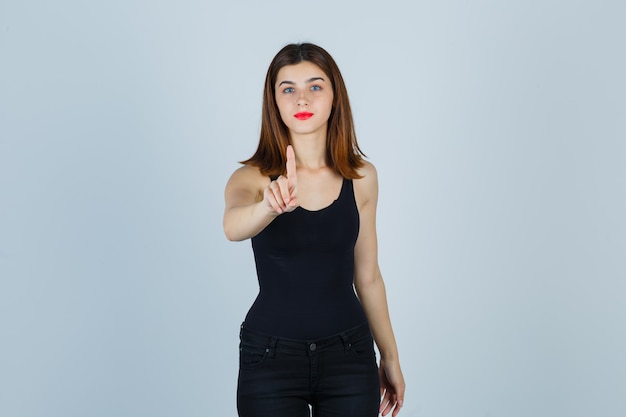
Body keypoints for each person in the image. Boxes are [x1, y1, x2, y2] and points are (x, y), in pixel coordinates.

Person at [223, 42, 405, 417]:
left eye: (315, 86)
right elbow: (232, 226)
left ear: (335, 96)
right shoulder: (252, 178)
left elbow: (368, 277)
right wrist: (267, 207)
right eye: (287, 88)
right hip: (270, 359)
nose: (301, 98)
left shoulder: (362, 177)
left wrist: (390, 356)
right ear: (273, 101)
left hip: (349, 356)